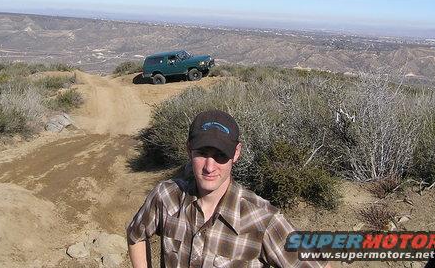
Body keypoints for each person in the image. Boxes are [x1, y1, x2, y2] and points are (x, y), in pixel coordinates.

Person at [126, 110, 328, 267]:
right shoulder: (166, 197)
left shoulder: (262, 219)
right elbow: (136, 234)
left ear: (236, 153)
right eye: (202, 153)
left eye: (220, 156)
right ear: (189, 149)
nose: (209, 167)